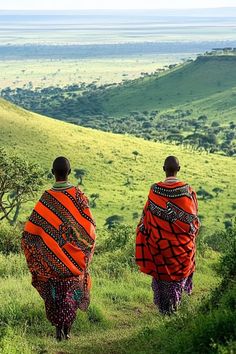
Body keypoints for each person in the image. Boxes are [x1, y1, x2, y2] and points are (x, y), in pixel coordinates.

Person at [22, 157, 96, 340]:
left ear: (52, 172)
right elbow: (89, 228)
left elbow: (32, 230)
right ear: (69, 172)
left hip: (51, 264)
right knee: (70, 298)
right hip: (73, 262)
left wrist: (44, 248)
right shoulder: (78, 196)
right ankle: (67, 331)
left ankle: (58, 332)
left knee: (55, 298)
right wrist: (81, 247)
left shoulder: (46, 197)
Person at [135, 156, 200, 314]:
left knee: (163, 280)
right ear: (179, 169)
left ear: (164, 169)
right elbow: (193, 224)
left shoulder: (155, 190)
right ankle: (176, 310)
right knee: (179, 280)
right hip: (182, 251)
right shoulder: (188, 191)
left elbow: (145, 220)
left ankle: (165, 311)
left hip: (160, 249)